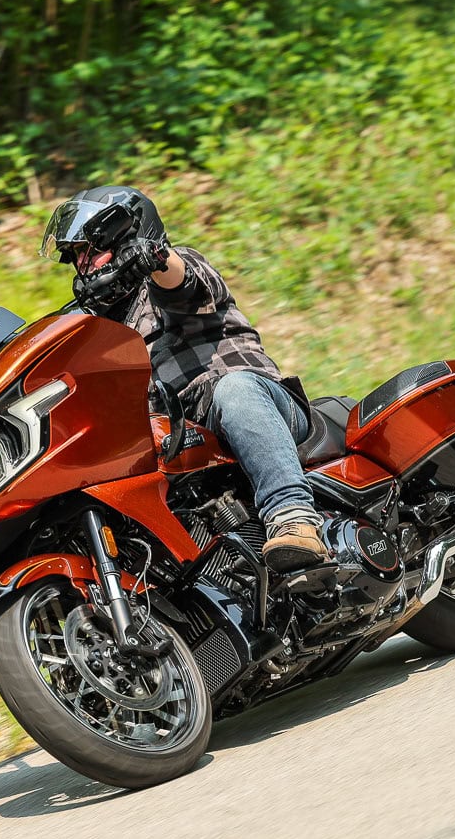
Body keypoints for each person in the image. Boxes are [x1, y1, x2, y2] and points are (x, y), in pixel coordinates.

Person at [39, 184, 328, 572]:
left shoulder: (168, 275)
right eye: (76, 256)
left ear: (129, 239)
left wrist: (156, 259)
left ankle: (293, 516)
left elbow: (182, 283)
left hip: (258, 405)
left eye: (90, 250)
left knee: (234, 389)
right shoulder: (98, 332)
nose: (83, 265)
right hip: (177, 442)